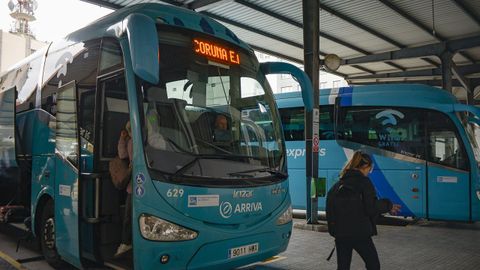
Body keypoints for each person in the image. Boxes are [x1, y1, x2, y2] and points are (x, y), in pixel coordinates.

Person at [326, 151, 401, 270]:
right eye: (370, 169)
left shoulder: (338, 184)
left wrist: (335, 231)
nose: (369, 173)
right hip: (360, 233)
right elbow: (371, 207)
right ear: (365, 167)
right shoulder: (364, 183)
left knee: (343, 267)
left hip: (341, 235)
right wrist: (388, 205)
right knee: (373, 265)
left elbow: (330, 211)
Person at [114, 121, 133, 258]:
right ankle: (127, 242)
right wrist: (123, 139)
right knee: (129, 216)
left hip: (136, 186)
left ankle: (126, 243)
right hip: (135, 186)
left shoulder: (134, 141)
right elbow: (122, 155)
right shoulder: (133, 141)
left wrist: (122, 138)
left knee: (128, 217)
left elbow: (122, 155)